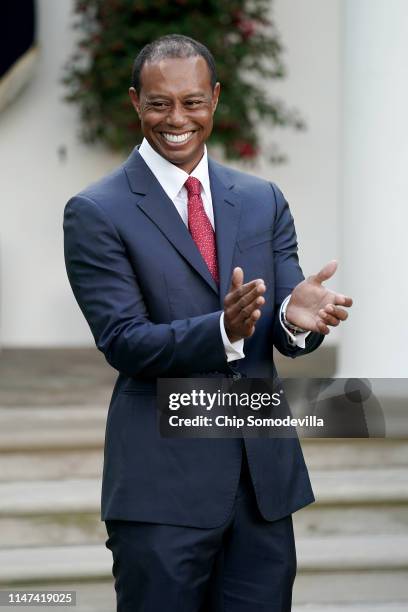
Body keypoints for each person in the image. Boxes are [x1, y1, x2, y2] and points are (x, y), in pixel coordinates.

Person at [64, 34, 352, 612]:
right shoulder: (97, 211)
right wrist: (223, 332)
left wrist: (297, 323)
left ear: (215, 98)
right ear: (135, 102)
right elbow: (124, 341)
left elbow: (284, 315)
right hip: (161, 493)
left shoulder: (262, 198)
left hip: (262, 488)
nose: (177, 119)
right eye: (159, 103)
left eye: (192, 101)